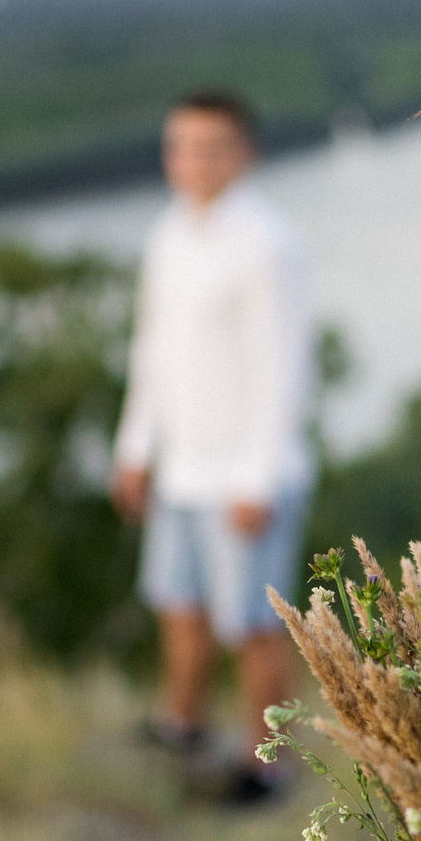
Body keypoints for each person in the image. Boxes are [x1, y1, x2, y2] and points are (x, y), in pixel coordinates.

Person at [111, 91, 317, 801]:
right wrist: (135, 447)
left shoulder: (265, 243)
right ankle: (183, 723)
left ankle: (269, 764)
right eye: (180, 147)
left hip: (245, 477)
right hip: (181, 469)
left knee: (253, 626)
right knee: (179, 604)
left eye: (209, 147)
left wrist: (256, 478)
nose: (191, 162)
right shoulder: (168, 232)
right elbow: (152, 350)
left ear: (244, 153)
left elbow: (283, 368)